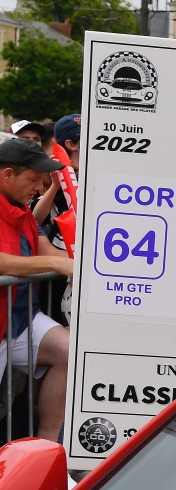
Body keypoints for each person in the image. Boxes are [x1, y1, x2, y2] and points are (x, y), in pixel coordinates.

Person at [0, 138, 74, 440]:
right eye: (33, 180)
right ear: (7, 175)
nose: (38, 188)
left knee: (70, 351)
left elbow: (50, 254)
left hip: (20, 319)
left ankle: (46, 450)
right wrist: (57, 265)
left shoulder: (22, 211)